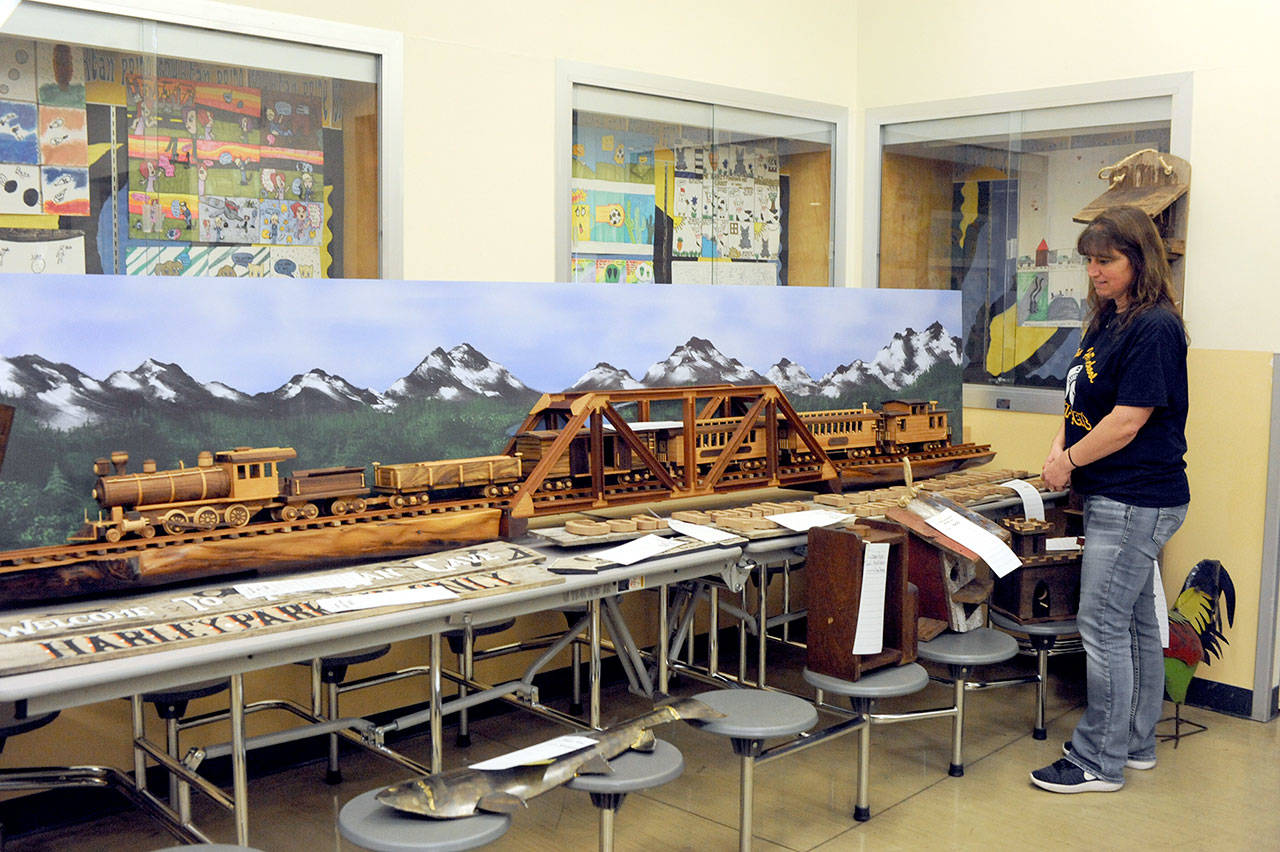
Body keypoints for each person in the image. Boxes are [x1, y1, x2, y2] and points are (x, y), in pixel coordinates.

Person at [1030, 205, 1190, 793]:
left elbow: (1126, 421)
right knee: (1134, 623)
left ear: (1139, 260)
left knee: (1100, 623)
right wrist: (1060, 450)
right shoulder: (1109, 318)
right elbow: (1082, 403)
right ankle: (1134, 742)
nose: (1095, 272)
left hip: (1135, 499)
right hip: (1114, 494)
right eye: (1090, 262)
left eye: (1107, 260)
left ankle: (1098, 760)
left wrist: (1069, 462)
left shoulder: (1155, 327)